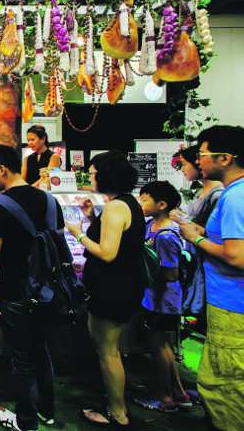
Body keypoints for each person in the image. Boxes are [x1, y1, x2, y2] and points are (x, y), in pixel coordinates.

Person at [0, 145, 63, 431]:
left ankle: (25, 422)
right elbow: (58, 245)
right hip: (47, 291)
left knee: (23, 359)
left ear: (2, 169)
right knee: (41, 350)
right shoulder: (50, 201)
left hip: (15, 292)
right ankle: (46, 412)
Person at [64, 150, 145, 428]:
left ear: (106, 174)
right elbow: (115, 238)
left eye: (93, 172)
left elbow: (107, 253)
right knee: (107, 349)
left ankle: (116, 411)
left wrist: (79, 233)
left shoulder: (116, 207)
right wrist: (90, 217)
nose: (90, 177)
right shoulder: (125, 203)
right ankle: (114, 403)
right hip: (120, 287)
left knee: (108, 350)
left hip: (113, 289)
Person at [178, 125, 244, 431]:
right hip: (228, 303)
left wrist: (196, 237)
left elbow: (238, 257)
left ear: (225, 158)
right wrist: (206, 233)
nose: (197, 160)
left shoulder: (235, 198)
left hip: (233, 306)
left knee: (225, 385)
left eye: (202, 154)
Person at [133, 181, 188, 413]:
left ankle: (164, 398)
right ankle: (178, 392)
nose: (139, 203)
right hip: (156, 297)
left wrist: (145, 275)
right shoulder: (151, 225)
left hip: (163, 299)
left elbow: (171, 273)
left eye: (144, 199)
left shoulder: (165, 236)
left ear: (162, 204)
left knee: (159, 346)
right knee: (164, 345)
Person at [171, 145, 223, 326]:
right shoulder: (203, 191)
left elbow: (216, 232)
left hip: (210, 262)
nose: (182, 169)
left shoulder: (218, 194)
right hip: (199, 258)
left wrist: (184, 223)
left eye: (184, 164)